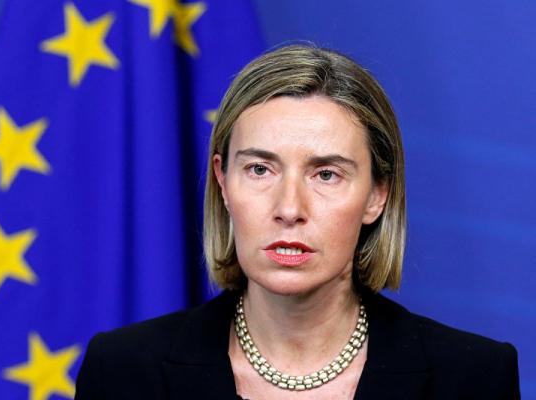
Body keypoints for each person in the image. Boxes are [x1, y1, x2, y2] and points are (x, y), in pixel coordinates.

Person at [74, 45, 520, 399]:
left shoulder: (473, 378)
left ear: (377, 196)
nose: (289, 208)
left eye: (326, 174)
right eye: (260, 169)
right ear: (223, 182)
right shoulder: (122, 372)